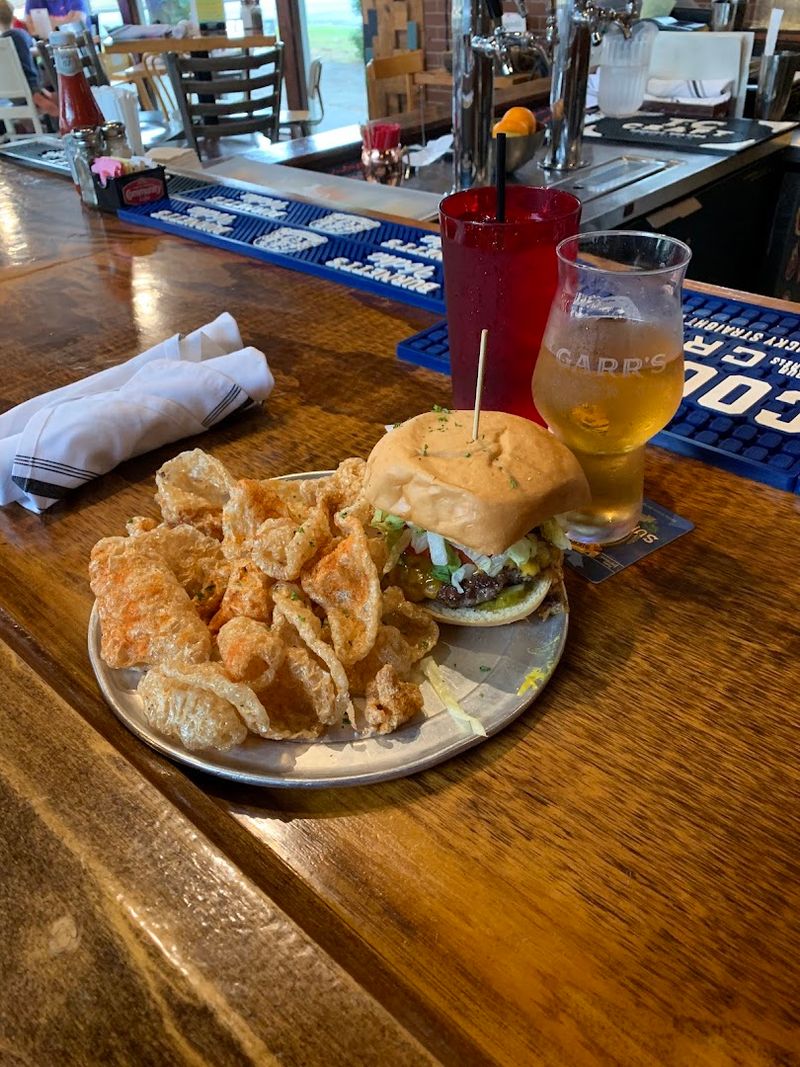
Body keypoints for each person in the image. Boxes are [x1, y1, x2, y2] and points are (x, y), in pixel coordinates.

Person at [0, 0, 58, 120]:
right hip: (32, 84)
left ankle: (36, 93)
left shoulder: (6, 40)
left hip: (12, 94)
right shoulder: (21, 34)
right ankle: (37, 93)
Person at [24, 0, 89, 35]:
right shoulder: (32, 1)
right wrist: (66, 20)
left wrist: (46, 23)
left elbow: (78, 25)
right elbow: (31, 29)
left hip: (81, 44)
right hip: (48, 46)